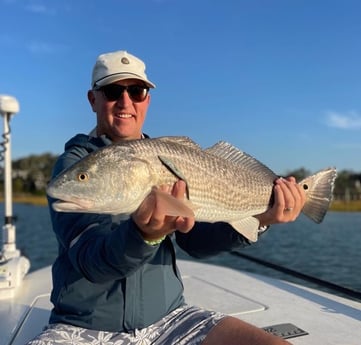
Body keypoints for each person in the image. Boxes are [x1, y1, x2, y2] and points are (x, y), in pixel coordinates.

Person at [28, 50, 306, 345]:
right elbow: (91, 260)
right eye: (112, 91)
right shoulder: (74, 162)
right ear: (92, 99)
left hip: (171, 318)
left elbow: (196, 242)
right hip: (84, 325)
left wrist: (262, 217)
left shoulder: (169, 158)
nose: (125, 102)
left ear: (147, 100)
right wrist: (143, 235)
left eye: (136, 91)